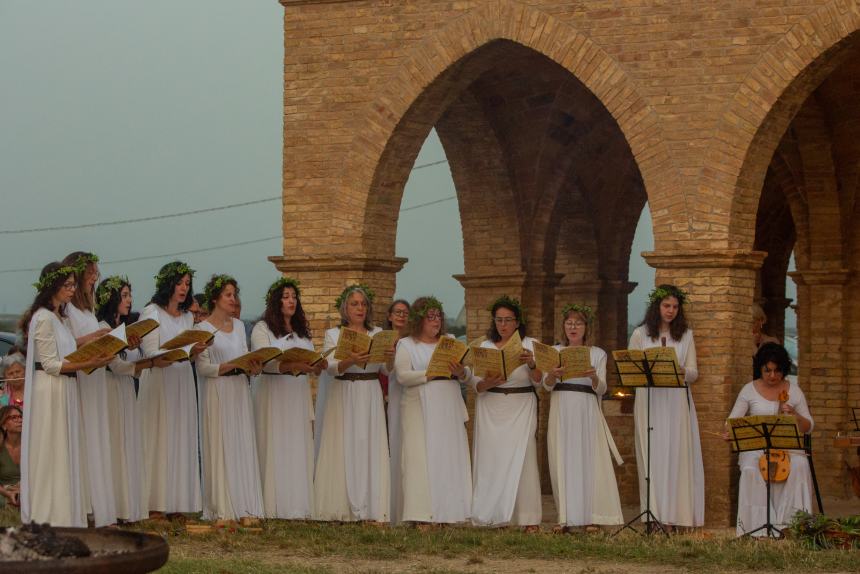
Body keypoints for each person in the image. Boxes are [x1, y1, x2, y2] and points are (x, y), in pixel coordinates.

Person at [19, 262, 112, 527]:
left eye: (73, 284)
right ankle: (48, 511)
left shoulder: (61, 317)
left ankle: (66, 509)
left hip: (66, 387)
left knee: (65, 448)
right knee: (51, 447)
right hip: (51, 389)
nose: (73, 290)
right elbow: (51, 364)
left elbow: (69, 346)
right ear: (53, 286)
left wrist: (98, 339)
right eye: (67, 285)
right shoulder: (42, 318)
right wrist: (88, 364)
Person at [314, 284, 392, 522]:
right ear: (345, 308)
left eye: (363, 304)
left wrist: (390, 357)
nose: (360, 308)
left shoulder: (377, 333)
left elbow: (387, 371)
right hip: (343, 391)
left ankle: (372, 507)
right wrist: (350, 360)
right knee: (342, 443)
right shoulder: (334, 335)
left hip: (369, 391)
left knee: (369, 443)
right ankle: (340, 507)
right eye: (354, 304)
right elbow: (329, 368)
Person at [629, 284, 704, 529]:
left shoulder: (686, 335)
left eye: (674, 307)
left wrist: (682, 370)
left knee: (674, 455)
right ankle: (653, 515)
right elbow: (630, 368)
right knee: (651, 456)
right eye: (666, 306)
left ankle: (673, 516)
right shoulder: (641, 334)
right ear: (656, 307)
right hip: (650, 399)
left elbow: (693, 373)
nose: (670, 311)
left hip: (675, 400)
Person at [543, 304, 623, 532]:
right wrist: (552, 375)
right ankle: (565, 517)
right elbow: (546, 387)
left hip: (586, 409)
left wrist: (594, 377)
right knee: (562, 459)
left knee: (588, 460)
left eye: (578, 323)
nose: (573, 327)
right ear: (564, 327)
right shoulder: (555, 351)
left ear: (586, 327)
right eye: (569, 323)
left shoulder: (597, 353)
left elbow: (603, 389)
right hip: (562, 409)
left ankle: (590, 517)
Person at [392, 296, 471, 526]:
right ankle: (421, 515)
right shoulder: (407, 344)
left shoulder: (449, 341)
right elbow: (402, 376)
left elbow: (466, 374)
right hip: (419, 408)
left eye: (438, 316)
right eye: (430, 316)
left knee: (446, 457)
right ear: (419, 319)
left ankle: (447, 512)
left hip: (447, 406)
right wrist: (430, 374)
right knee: (420, 459)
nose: (436, 321)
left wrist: (460, 371)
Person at [251, 277, 323, 520]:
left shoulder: (302, 331)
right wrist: (290, 363)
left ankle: (297, 507)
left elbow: (310, 357)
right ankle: (274, 506)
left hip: (296, 392)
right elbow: (264, 361)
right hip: (274, 393)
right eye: (285, 297)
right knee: (275, 445)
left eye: (294, 297)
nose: (291, 301)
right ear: (275, 301)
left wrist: (315, 365)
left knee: (297, 445)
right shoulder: (263, 329)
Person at [138, 261, 205, 518]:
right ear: (168, 284)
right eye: (179, 283)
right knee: (159, 439)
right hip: (159, 382)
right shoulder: (151, 312)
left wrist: (196, 350)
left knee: (180, 438)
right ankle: (155, 505)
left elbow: (190, 349)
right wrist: (186, 350)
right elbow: (151, 351)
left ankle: (178, 503)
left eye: (187, 284)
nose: (184, 288)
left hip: (181, 382)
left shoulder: (189, 317)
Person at [470, 295, 543, 530]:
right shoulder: (484, 346)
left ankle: (528, 519)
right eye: (499, 320)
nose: (503, 325)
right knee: (492, 460)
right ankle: (495, 515)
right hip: (491, 406)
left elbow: (541, 381)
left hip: (521, 405)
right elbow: (476, 384)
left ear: (517, 322)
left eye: (508, 320)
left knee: (525, 459)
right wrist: (488, 382)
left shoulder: (531, 345)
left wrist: (532, 364)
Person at [726, 342, 814, 537]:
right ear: (760, 369)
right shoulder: (749, 390)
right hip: (757, 448)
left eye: (777, 371)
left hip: (788, 449)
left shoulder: (795, 390)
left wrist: (795, 415)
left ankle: (791, 525)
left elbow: (809, 426)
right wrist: (731, 432)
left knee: (799, 466)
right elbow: (732, 421)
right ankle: (756, 527)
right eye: (767, 371)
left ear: (783, 370)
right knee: (751, 467)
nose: (773, 376)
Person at [195, 275, 264, 521]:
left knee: (241, 443)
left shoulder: (238, 327)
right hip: (217, 390)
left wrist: (252, 366)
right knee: (221, 445)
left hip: (238, 389)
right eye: (227, 294)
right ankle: (222, 507)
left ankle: (246, 505)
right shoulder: (201, 329)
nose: (233, 299)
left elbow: (245, 356)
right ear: (215, 298)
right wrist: (230, 365)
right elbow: (203, 368)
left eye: (234, 294)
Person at [61, 251, 117, 527]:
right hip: (80, 377)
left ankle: (98, 504)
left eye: (96, 271)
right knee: (83, 438)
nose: (95, 276)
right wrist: (94, 337)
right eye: (91, 271)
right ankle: (83, 505)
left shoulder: (88, 308)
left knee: (96, 435)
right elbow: (66, 343)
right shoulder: (67, 308)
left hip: (95, 376)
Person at [95, 275, 151, 523]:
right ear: (112, 299)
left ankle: (129, 506)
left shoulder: (128, 329)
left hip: (127, 388)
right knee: (114, 444)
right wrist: (143, 366)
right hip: (109, 390)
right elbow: (114, 364)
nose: (129, 300)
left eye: (130, 295)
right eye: (124, 295)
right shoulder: (101, 328)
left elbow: (130, 360)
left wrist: (141, 356)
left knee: (127, 444)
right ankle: (112, 508)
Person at [383, 298, 410, 523]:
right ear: (390, 316)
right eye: (397, 312)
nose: (401, 316)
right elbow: (384, 371)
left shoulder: (412, 341)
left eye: (405, 313)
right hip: (393, 392)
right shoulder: (384, 339)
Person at [0, 405, 22, 508]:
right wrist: (8, 494)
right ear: (4, 425)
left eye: (20, 416)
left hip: (29, 492)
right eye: (14, 417)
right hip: (4, 493)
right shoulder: (0, 446)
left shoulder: (30, 446)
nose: (19, 420)